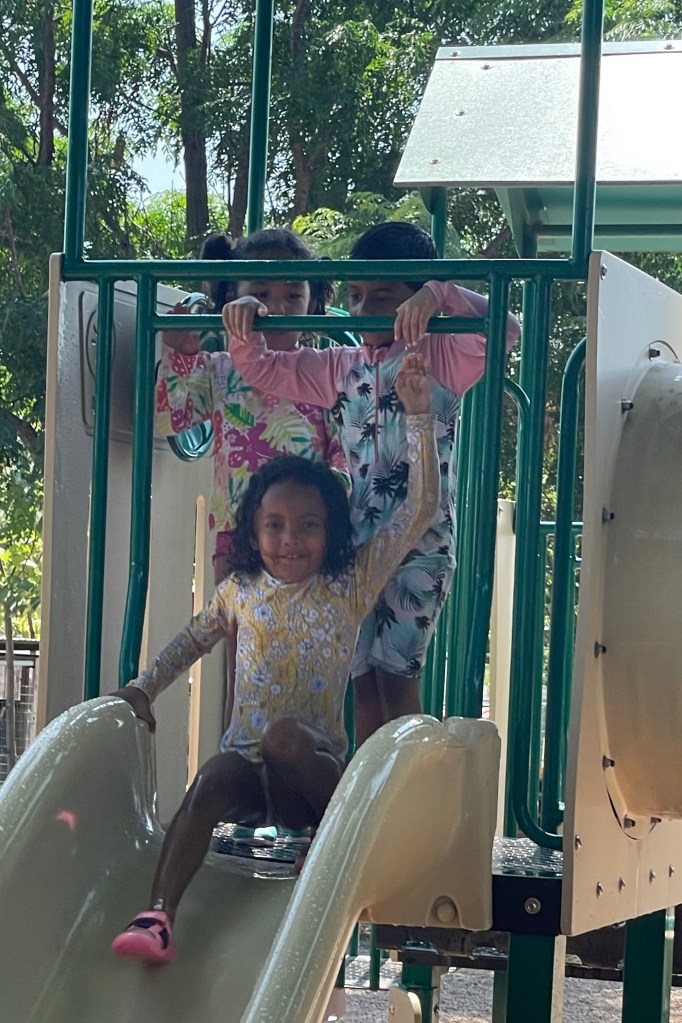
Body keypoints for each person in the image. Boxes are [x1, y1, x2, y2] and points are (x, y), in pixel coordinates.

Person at [111, 353, 438, 965]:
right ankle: (158, 915)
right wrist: (142, 688)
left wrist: (420, 418)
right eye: (275, 525)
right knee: (210, 778)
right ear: (253, 531)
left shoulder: (348, 585)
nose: (290, 539)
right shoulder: (240, 590)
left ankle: (342, 838)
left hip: (307, 775)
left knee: (286, 735)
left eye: (308, 525)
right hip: (249, 776)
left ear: (332, 531)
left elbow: (418, 508)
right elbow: (191, 641)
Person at [227, 221, 520, 745]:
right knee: (361, 676)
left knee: (397, 674)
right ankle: (369, 786)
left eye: (384, 297)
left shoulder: (443, 356)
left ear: (416, 300)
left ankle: (408, 786)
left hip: (421, 545)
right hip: (360, 544)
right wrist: (243, 325)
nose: (364, 310)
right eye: (356, 296)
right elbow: (265, 370)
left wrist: (440, 293)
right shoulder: (341, 367)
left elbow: (507, 327)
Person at [156, 228, 350, 726]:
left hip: (307, 540)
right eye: (260, 294)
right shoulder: (220, 369)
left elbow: (344, 455)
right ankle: (240, 759)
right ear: (231, 301)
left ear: (313, 304)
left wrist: (337, 507)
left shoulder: (323, 371)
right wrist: (180, 353)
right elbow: (173, 418)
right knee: (245, 664)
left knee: (309, 659)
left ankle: (300, 758)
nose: (275, 308)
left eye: (292, 295)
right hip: (239, 537)